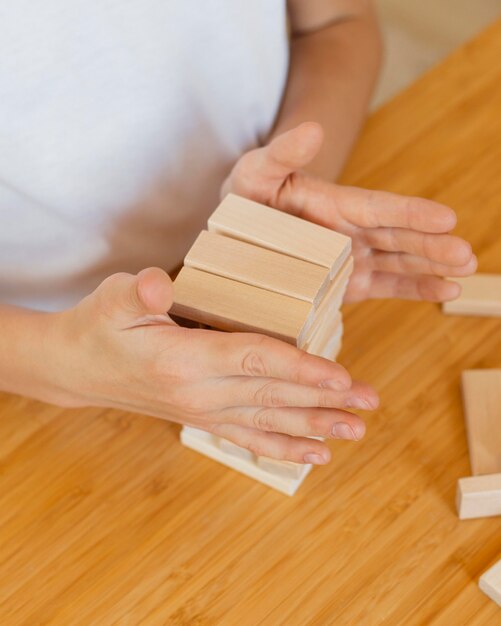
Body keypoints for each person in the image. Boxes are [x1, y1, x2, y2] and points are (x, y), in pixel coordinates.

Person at [0, 1, 476, 465]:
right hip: (42, 343)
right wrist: (61, 361)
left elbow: (337, 21)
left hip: (256, 212)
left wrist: (288, 192)